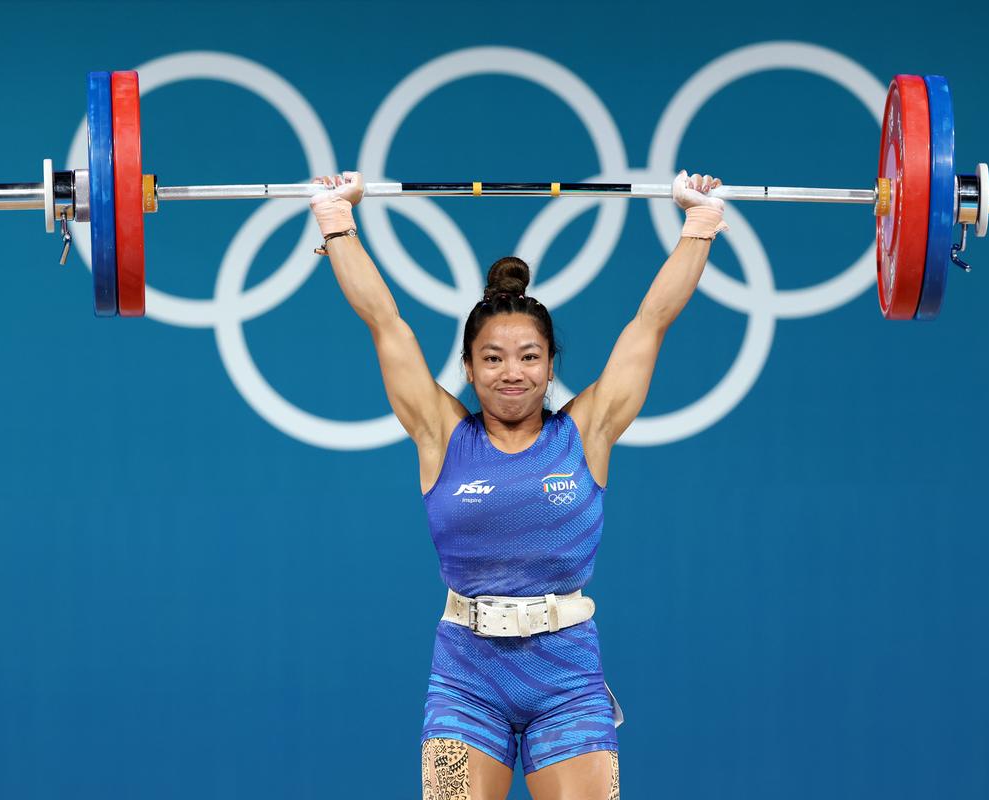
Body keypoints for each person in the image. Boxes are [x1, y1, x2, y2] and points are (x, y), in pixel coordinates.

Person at [309, 170, 727, 800]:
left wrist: (699, 225)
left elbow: (651, 322)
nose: (512, 373)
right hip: (464, 677)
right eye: (494, 358)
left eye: (530, 356)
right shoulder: (439, 432)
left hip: (568, 678)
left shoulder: (587, 431)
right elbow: (385, 321)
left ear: (551, 366)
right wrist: (337, 221)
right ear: (469, 369)